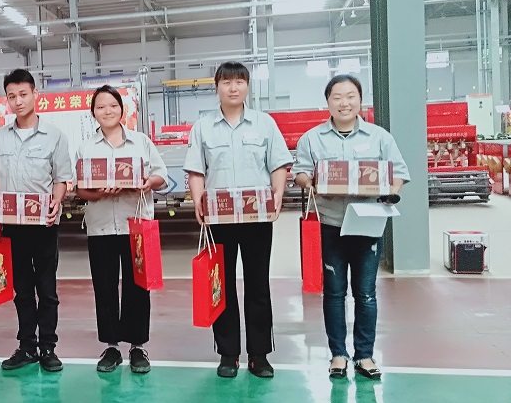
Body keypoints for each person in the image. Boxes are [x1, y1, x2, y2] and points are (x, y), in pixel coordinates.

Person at [293, 75, 409, 380]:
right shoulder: (312, 139)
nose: (344, 103)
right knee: (334, 292)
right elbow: (300, 173)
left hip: (368, 224)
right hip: (331, 223)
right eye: (337, 97)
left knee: (366, 293)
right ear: (328, 102)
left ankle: (365, 355)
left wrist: (392, 191)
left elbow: (398, 172)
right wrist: (313, 182)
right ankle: (338, 355)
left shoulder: (379, 137)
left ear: (360, 99)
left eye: (350, 96)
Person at [183, 62, 292, 379]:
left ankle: (259, 355)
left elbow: (278, 164)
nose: (233, 88)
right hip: (219, 218)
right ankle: (228, 353)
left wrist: (278, 195)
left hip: (257, 217)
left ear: (247, 86)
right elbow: (196, 170)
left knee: (258, 284)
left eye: (240, 81)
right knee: (221, 285)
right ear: (216, 87)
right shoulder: (203, 127)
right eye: (227, 82)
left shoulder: (265, 124)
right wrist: (198, 202)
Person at [0, 69, 73, 372]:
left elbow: (61, 179)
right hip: (12, 227)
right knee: (21, 289)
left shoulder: (55, 137)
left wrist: (56, 201)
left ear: (35, 95)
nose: (18, 101)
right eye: (12, 96)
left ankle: (48, 347)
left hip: (44, 225)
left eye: (23, 94)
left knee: (47, 289)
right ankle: (27, 347)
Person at [74, 86, 169, 374]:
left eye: (113, 105)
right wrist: (98, 193)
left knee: (138, 286)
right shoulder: (86, 148)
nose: (107, 111)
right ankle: (112, 346)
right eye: (101, 107)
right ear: (93, 113)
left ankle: (137, 346)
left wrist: (147, 183)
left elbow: (162, 176)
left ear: (122, 109)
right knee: (104, 287)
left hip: (136, 224)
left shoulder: (141, 142)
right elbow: (79, 190)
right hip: (101, 226)